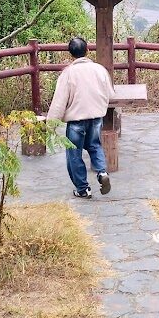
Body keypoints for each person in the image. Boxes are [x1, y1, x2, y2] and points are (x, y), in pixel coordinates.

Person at [46, 35, 113, 198]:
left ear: (70, 54)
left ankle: (83, 189)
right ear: (88, 50)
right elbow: (109, 93)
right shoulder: (99, 70)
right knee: (95, 145)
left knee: (74, 154)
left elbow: (59, 102)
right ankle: (102, 172)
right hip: (96, 117)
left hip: (76, 121)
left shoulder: (68, 73)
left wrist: (50, 125)